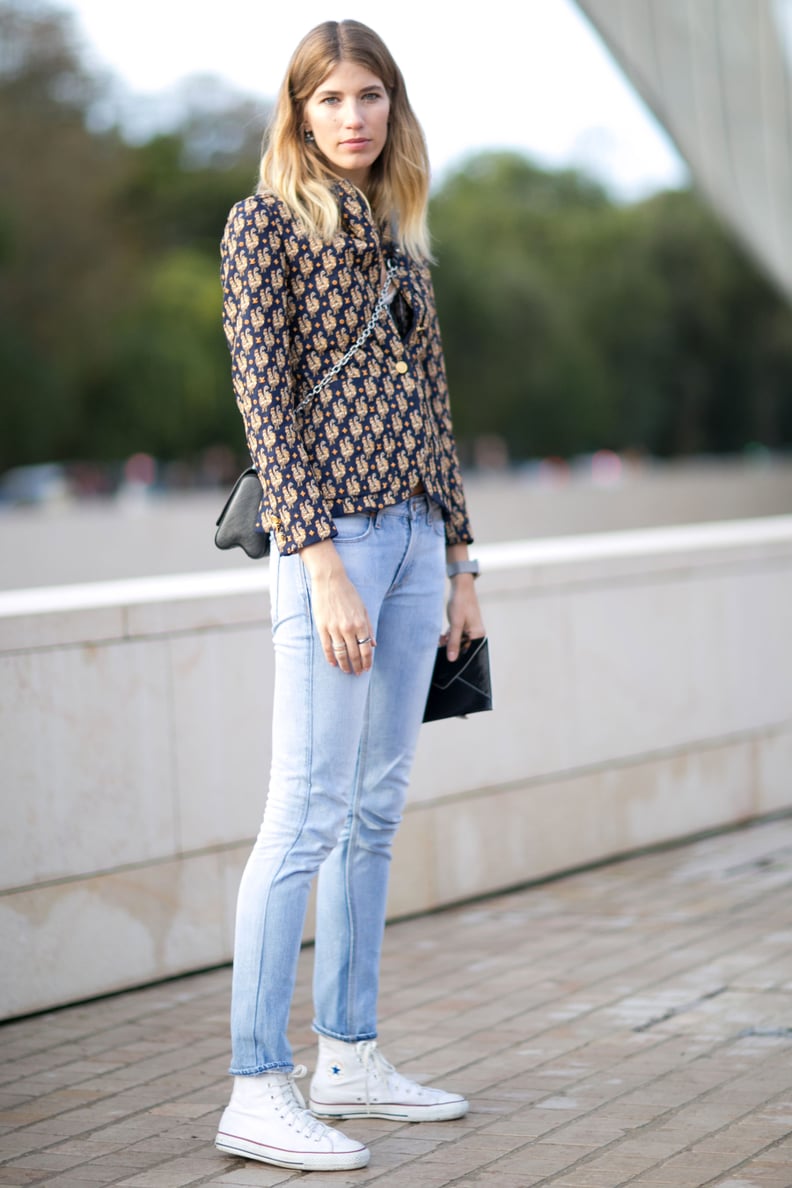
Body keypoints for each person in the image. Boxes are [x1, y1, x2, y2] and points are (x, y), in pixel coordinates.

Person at [215, 18, 485, 1173]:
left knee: (374, 813)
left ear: (394, 106)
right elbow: (264, 402)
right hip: (333, 545)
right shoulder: (262, 225)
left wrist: (463, 562)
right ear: (298, 111)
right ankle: (255, 1084)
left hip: (418, 537)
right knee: (304, 814)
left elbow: (435, 411)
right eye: (330, 99)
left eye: (370, 95)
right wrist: (318, 558)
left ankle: (350, 1053)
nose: (354, 117)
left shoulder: (403, 242)